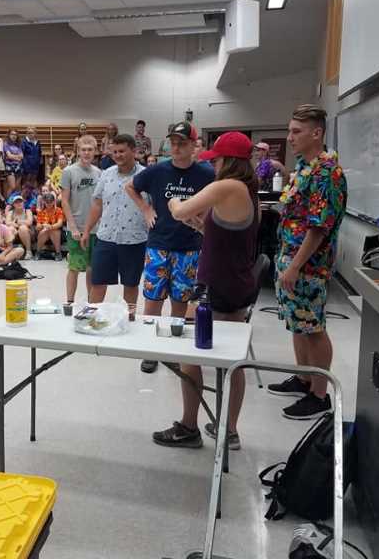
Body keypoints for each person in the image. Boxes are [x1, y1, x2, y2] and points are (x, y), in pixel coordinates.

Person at [152, 131, 259, 450]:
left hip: (217, 285)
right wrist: (200, 226)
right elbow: (227, 234)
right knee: (230, 357)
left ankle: (189, 426)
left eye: (218, 160)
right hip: (234, 280)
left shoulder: (227, 185)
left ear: (229, 162)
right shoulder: (248, 191)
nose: (214, 166)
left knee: (195, 356)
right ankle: (230, 430)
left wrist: (172, 201)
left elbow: (179, 210)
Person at [267, 105, 347, 420]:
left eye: (296, 132)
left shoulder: (327, 172)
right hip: (290, 257)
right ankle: (303, 379)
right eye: (289, 130)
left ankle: (319, 395)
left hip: (308, 265)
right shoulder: (304, 167)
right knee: (298, 323)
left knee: (313, 327)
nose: (290, 138)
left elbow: (318, 227)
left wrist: (296, 266)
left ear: (317, 133)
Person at [125, 121, 214, 373]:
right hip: (159, 244)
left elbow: (217, 198)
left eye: (182, 143)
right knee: (153, 299)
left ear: (194, 145)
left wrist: (203, 218)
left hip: (188, 246)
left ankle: (173, 348)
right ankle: (151, 349)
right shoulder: (157, 171)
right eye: (173, 143)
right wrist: (146, 209)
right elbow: (130, 186)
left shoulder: (206, 174)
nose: (176, 148)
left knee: (180, 299)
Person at [82, 133, 147, 305]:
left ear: (134, 151)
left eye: (122, 151)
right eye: (115, 152)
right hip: (106, 238)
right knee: (98, 283)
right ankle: (92, 318)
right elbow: (97, 204)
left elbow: (154, 208)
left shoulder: (146, 175)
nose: (117, 155)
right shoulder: (106, 174)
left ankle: (129, 320)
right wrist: (87, 230)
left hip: (135, 240)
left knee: (131, 284)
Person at [61, 135, 101, 303]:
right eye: (83, 150)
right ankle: (70, 302)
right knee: (74, 267)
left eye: (90, 150)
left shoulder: (99, 173)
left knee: (92, 268)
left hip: (95, 229)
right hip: (76, 228)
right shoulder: (68, 172)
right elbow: (64, 200)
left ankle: (91, 304)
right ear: (78, 151)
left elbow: (100, 202)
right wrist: (73, 226)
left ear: (95, 152)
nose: (86, 153)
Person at [34, 191, 64, 260]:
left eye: (51, 202)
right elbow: (38, 226)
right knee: (43, 231)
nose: (49, 204)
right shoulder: (41, 212)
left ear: (54, 202)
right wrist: (41, 226)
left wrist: (51, 227)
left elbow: (60, 223)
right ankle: (38, 252)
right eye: (47, 202)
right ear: (44, 202)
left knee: (53, 230)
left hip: (57, 234)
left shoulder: (58, 210)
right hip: (44, 233)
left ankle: (58, 253)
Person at [4, 194, 34, 258]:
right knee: (10, 229)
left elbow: (29, 222)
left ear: (23, 203)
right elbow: (7, 223)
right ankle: (9, 251)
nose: (19, 203)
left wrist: (17, 222)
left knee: (22, 228)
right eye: (16, 202)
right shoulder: (11, 212)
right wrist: (19, 223)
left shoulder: (27, 211)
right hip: (15, 232)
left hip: (27, 232)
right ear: (13, 204)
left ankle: (29, 252)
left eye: (20, 201)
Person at [3, 129, 23, 195]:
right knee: (12, 187)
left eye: (15, 135)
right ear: (9, 135)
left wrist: (13, 157)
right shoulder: (6, 144)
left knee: (17, 187)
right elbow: (9, 156)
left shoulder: (18, 145)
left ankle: (17, 202)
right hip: (10, 167)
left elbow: (22, 156)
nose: (14, 136)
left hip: (18, 167)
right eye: (12, 134)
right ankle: (7, 203)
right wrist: (17, 157)